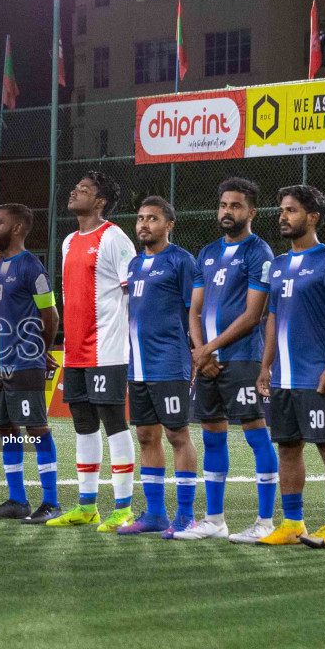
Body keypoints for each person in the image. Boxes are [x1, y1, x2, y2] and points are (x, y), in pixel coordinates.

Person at [253, 186, 325, 547]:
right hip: (283, 377)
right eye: (281, 210)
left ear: (312, 217)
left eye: (291, 210)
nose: (283, 216)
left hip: (316, 375)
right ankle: (293, 523)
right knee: (288, 448)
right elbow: (272, 319)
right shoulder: (277, 266)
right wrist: (266, 366)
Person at [189, 178, 279, 544]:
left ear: (251, 212)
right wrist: (200, 352)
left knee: (258, 437)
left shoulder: (260, 253)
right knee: (212, 437)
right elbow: (193, 310)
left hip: (242, 359)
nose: (227, 211)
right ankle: (214, 519)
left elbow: (253, 315)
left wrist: (208, 349)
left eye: (236, 206)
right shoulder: (207, 252)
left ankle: (265, 521)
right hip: (208, 361)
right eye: (223, 205)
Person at [47, 171, 136, 530]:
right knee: (83, 425)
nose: (74, 191)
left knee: (114, 424)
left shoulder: (115, 238)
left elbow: (133, 294)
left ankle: (124, 508)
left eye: (83, 190)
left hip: (108, 350)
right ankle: (87, 506)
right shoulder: (69, 241)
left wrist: (129, 342)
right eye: (75, 186)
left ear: (99, 202)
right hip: (75, 351)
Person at [117, 196, 202, 536]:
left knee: (177, 434)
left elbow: (193, 311)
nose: (143, 224)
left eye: (152, 218)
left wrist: (196, 352)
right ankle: (155, 513)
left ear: (169, 225)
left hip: (169, 362)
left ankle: (185, 515)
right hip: (138, 365)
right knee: (145, 435)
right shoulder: (135, 264)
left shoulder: (182, 261)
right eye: (140, 218)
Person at [0, 202, 60, 521]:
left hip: (25, 362)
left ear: (17, 228)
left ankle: (51, 502)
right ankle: (16, 500)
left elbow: (49, 313)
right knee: (6, 429)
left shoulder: (31, 265)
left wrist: (41, 349)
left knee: (36, 428)